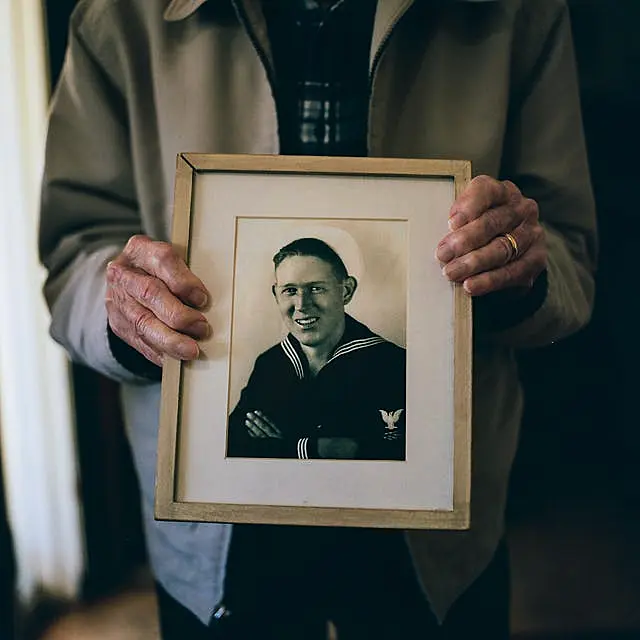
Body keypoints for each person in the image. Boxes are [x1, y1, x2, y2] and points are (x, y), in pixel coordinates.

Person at [38, 0, 597, 638]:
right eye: (286, 294)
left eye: (316, 291)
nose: (299, 306)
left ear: (350, 288)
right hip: (215, 529)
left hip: (439, 524)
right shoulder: (117, 15)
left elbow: (570, 252)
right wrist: (127, 310)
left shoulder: (521, 12)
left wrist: (516, 269)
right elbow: (75, 253)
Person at [227, 237, 406, 461]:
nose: (302, 305)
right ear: (276, 294)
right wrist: (316, 449)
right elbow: (231, 447)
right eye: (290, 290)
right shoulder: (269, 364)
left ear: (346, 291)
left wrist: (277, 447)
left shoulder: (393, 364)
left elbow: (395, 456)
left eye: (316, 288)